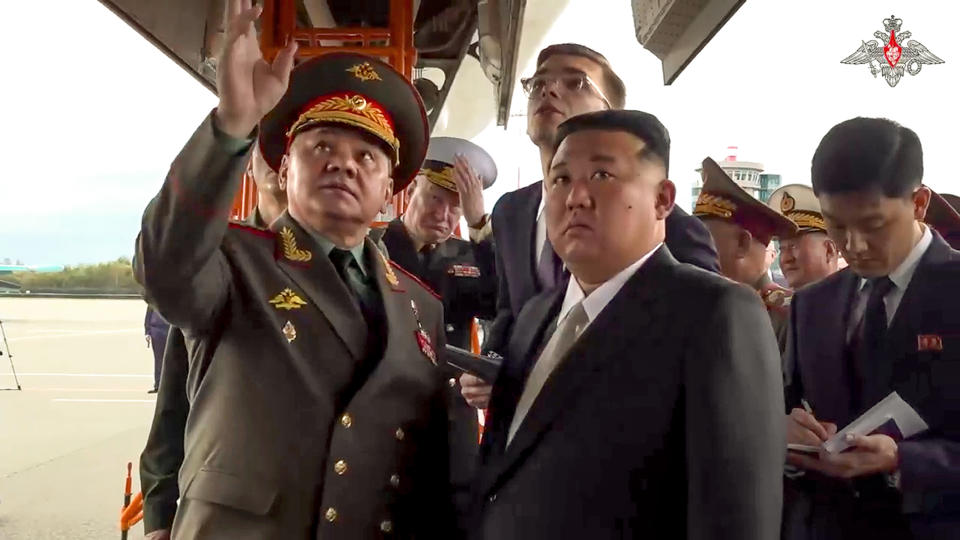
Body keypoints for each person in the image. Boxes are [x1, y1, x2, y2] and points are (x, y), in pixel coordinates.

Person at [133, 3, 452, 537]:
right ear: (284, 169)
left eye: (368, 157)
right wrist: (232, 124)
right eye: (321, 146)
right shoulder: (233, 260)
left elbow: (429, 459)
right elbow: (165, 268)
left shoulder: (422, 306)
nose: (343, 163)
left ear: (389, 196)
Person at [470, 110, 785, 540]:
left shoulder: (714, 314)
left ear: (663, 199)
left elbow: (735, 516)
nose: (576, 197)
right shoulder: (535, 315)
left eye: (601, 174)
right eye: (560, 179)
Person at [461, 43, 720, 409]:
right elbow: (510, 313)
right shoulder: (511, 212)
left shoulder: (671, 226)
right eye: (537, 83)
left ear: (612, 114)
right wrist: (492, 365)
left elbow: (697, 346)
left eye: (576, 83)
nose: (548, 90)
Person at [783, 117, 960, 539]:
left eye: (874, 225)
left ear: (919, 203)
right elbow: (783, 403)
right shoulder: (811, 304)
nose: (854, 245)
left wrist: (904, 461)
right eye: (836, 225)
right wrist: (784, 434)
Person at [139, 144, 289, 539]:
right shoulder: (217, 259)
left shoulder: (361, 272)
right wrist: (159, 512)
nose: (277, 160)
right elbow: (175, 400)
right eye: (269, 147)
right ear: (252, 164)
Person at [369, 136, 498, 535]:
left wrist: (480, 226)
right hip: (385, 414)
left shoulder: (468, 257)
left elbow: (501, 302)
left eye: (456, 207)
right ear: (411, 190)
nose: (444, 215)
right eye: (436, 200)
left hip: (449, 418)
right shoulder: (373, 248)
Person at [693, 157, 798, 353]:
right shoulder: (695, 301)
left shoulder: (789, 317)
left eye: (704, 239)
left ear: (742, 243)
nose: (695, 247)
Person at [767, 184, 840, 289]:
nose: (785, 258)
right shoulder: (777, 304)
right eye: (781, 249)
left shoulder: (857, 301)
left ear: (829, 250)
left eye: (794, 246)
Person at [143, 306, 170, 393]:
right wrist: (147, 332)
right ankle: (158, 385)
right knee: (158, 359)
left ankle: (169, 386)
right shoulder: (153, 300)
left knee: (170, 360)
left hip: (169, 330)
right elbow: (148, 315)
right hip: (156, 331)